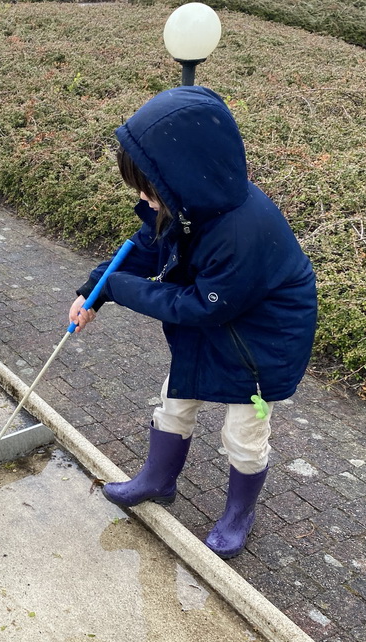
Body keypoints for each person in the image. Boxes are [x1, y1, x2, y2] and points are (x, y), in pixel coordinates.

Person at [68, 86, 317, 559]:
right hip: (213, 326)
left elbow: (201, 306)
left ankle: (239, 514)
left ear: (182, 176)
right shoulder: (182, 206)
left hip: (259, 347)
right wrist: (94, 291)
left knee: (243, 434)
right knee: (174, 402)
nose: (143, 198)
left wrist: (121, 289)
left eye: (148, 188)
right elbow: (143, 248)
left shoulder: (242, 230)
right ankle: (157, 480)